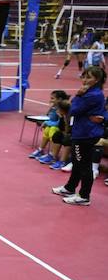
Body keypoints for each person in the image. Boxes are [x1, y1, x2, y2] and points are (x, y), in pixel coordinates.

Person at [52, 66, 107, 205]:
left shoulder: (92, 95)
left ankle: (84, 196)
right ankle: (70, 188)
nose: (85, 80)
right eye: (84, 76)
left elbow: (74, 110)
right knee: (76, 162)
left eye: (89, 77)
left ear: (97, 79)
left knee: (84, 165)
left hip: (86, 134)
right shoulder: (91, 93)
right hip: (82, 131)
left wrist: (78, 95)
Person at [30, 90, 70, 160]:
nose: (50, 100)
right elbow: (50, 117)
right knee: (48, 129)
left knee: (52, 129)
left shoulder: (63, 108)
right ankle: (40, 149)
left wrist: (47, 123)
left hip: (63, 129)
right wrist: (52, 109)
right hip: (57, 126)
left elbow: (59, 123)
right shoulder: (55, 108)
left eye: (52, 98)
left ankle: (52, 154)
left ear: (59, 99)